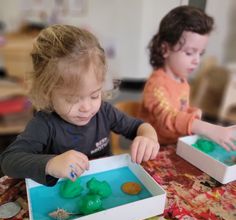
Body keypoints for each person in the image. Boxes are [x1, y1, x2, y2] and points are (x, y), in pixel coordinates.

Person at [0, 25, 159, 186]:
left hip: (104, 186)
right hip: (62, 196)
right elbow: (8, 160)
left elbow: (139, 126)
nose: (86, 107)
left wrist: (148, 137)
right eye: (72, 99)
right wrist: (51, 163)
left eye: (94, 95)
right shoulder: (44, 124)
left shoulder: (104, 111)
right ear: (47, 92)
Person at [139, 5, 236, 151]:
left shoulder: (182, 81)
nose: (197, 60)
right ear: (165, 49)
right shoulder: (156, 85)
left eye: (200, 53)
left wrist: (190, 111)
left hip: (176, 145)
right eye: (190, 53)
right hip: (155, 150)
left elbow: (177, 109)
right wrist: (205, 127)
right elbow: (168, 118)